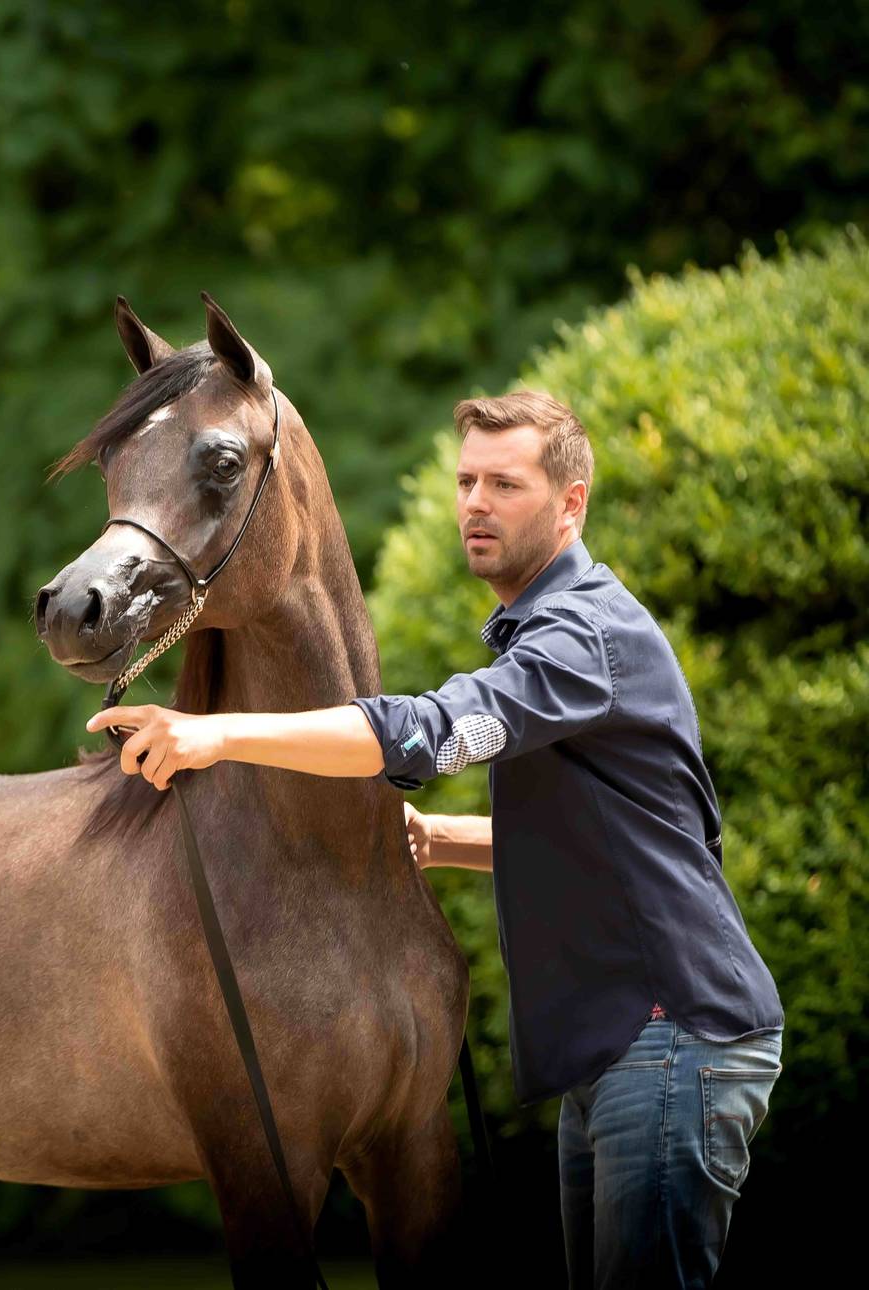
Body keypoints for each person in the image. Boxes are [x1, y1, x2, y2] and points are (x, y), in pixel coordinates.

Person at [86, 390, 785, 1289]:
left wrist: (216, 733)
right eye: (465, 481)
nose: (475, 504)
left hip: (672, 1038)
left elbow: (432, 731)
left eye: (506, 483)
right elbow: (632, 838)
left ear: (571, 505)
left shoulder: (584, 639)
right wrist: (439, 837)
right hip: (630, 1050)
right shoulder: (554, 630)